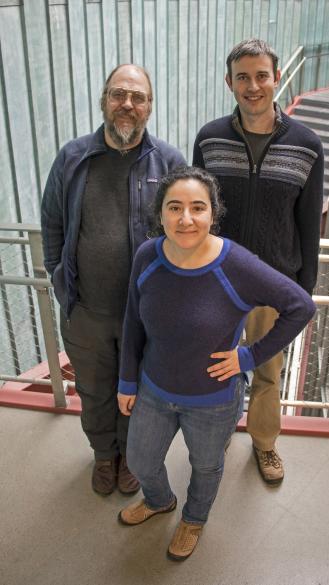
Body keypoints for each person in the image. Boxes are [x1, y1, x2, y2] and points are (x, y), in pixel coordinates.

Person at [116, 166, 316, 561]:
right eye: (174, 208)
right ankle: (159, 500)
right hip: (154, 389)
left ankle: (194, 518)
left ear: (212, 213)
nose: (185, 219)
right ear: (161, 214)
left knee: (206, 467)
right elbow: (133, 320)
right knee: (140, 459)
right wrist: (126, 380)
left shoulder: (235, 264)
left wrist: (249, 356)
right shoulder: (147, 256)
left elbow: (300, 306)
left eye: (197, 208)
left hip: (212, 400)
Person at [41, 64, 186, 496]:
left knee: (138, 394)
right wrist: (57, 275)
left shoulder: (170, 162)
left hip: (144, 316)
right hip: (86, 312)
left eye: (138, 97)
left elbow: (187, 232)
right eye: (118, 94)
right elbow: (52, 223)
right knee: (94, 391)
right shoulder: (72, 157)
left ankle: (131, 458)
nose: (128, 104)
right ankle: (104, 456)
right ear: (104, 100)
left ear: (150, 107)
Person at [193, 39, 324, 485]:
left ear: (277, 79)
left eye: (261, 76)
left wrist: (302, 290)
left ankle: (265, 444)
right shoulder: (209, 139)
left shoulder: (306, 145)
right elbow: (197, 212)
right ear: (229, 82)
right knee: (220, 367)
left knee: (267, 372)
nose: (253, 86)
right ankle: (220, 430)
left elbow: (309, 225)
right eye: (243, 77)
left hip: (273, 284)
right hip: (219, 285)